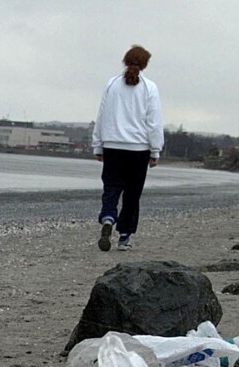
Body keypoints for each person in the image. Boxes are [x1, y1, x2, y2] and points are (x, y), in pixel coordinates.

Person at [92, 45, 164, 252]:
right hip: (139, 148)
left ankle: (108, 216)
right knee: (132, 193)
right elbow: (154, 121)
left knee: (111, 187)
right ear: (145, 64)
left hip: (113, 145)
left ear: (126, 61)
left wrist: (98, 144)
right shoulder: (150, 87)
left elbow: (102, 115)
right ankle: (125, 235)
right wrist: (155, 149)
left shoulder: (112, 84)